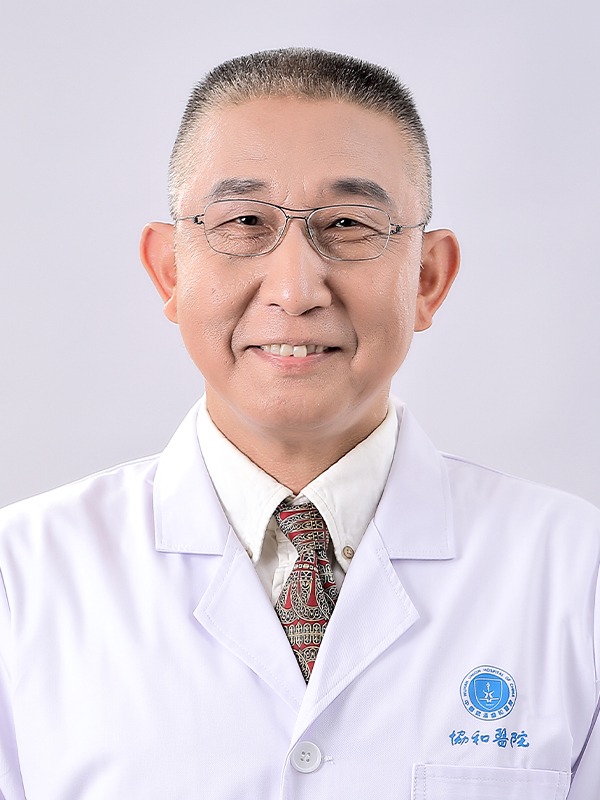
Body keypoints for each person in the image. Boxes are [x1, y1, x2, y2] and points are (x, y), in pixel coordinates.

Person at [0, 48, 598, 800]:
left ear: (427, 279)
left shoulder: (577, 574)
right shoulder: (21, 580)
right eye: (244, 222)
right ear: (171, 272)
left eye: (348, 224)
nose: (294, 288)